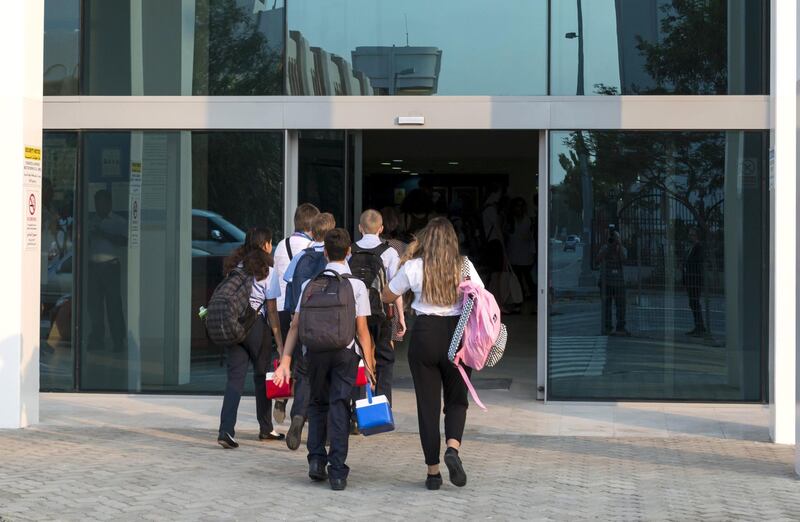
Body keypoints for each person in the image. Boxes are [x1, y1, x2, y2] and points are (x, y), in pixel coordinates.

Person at [381, 217, 483, 490]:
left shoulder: (415, 266)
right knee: (457, 400)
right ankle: (453, 448)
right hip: (456, 336)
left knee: (427, 407)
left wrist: (407, 262)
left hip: (425, 334)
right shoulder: (464, 266)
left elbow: (387, 295)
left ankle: (433, 472)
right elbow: (481, 296)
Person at [273, 228, 375, 491]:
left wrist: (285, 360)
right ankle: (338, 471)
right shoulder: (356, 285)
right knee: (340, 405)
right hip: (345, 352)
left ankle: (316, 461)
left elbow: (295, 325)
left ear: (325, 252)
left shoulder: (309, 284)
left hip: (314, 353)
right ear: (349, 252)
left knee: (318, 405)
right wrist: (371, 365)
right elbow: (362, 330)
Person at [218, 228, 286, 449]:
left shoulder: (235, 266)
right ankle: (266, 428)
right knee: (262, 375)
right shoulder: (267, 269)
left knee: (235, 379)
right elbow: (272, 310)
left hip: (235, 326)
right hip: (256, 327)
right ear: (266, 244)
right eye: (270, 242)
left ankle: (226, 430)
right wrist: (280, 341)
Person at [281, 212, 336, 450]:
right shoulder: (336, 256)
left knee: (304, 375)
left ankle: (297, 417)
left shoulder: (301, 256)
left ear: (311, 231)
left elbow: (287, 280)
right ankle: (324, 432)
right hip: (332, 326)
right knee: (329, 378)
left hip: (304, 324)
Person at [351, 210, 406, 406]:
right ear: (381, 229)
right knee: (385, 358)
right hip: (381, 313)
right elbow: (395, 288)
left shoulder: (350, 251)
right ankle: (382, 406)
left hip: (355, 314)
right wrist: (401, 317)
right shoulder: (390, 252)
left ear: (360, 228)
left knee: (357, 359)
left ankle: (356, 411)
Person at [271, 203, 319, 423]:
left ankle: (280, 396)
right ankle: (302, 410)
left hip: (279, 307)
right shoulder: (311, 248)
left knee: (283, 355)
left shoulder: (282, 245)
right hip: (298, 310)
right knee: (303, 362)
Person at [87, 189, 127, 353]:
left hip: (111, 266)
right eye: (97, 203)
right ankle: (97, 339)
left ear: (109, 204)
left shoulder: (118, 221)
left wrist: (103, 233)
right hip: (94, 267)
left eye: (102, 202)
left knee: (114, 306)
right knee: (94, 307)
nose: (99, 206)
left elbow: (123, 241)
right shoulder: (91, 220)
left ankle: (118, 340)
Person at [597, 228, 629, 336]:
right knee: (606, 306)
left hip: (619, 283)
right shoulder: (605, 248)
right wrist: (609, 247)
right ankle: (607, 327)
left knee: (621, 306)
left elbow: (624, 259)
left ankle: (620, 327)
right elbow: (598, 258)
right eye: (612, 239)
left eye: (615, 239)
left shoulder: (622, 249)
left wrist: (618, 246)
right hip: (606, 282)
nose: (613, 241)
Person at [505, 198, 536, 299]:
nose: (519, 208)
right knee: (517, 278)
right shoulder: (510, 220)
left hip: (526, 254)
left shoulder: (528, 221)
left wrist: (533, 252)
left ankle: (532, 296)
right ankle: (520, 297)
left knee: (528, 277)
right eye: (517, 206)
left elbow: (531, 238)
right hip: (514, 254)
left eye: (521, 206)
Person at [683, 227, 705, 336]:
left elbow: (697, 262)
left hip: (695, 280)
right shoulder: (691, 247)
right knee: (693, 303)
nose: (689, 236)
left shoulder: (698, 247)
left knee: (695, 303)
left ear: (696, 236)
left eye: (692, 234)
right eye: (689, 234)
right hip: (690, 280)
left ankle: (700, 327)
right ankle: (698, 326)